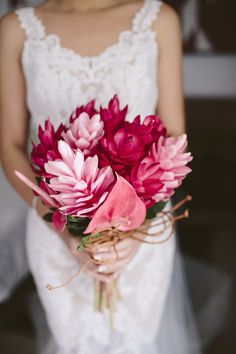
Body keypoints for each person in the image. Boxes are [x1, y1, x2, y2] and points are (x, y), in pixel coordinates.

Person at [0, 0, 202, 353]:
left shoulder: (158, 20)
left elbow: (174, 140)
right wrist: (63, 231)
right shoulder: (16, 29)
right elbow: (10, 146)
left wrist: (137, 232)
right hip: (54, 226)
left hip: (143, 228)